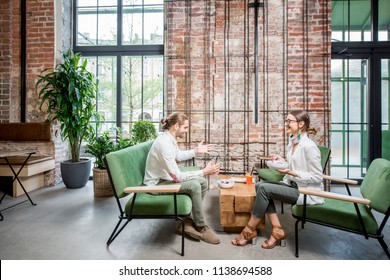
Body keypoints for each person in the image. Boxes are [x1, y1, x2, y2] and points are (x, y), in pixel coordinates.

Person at [231, 110, 324, 249]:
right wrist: (283, 161)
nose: (286, 124)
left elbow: (317, 177)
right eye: (286, 121)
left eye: (289, 121)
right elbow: (297, 164)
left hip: (305, 192)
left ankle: (248, 230)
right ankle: (277, 229)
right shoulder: (293, 141)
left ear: (301, 124)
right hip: (292, 185)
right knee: (260, 185)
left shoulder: (309, 146)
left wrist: (292, 172)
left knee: (263, 189)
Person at [144, 112, 221, 244]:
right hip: (156, 184)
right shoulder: (164, 144)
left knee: (202, 182)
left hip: (164, 178)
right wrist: (204, 171)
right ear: (176, 126)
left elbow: (178, 156)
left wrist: (196, 151)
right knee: (195, 185)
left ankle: (188, 220)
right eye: (185, 127)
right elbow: (178, 177)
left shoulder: (169, 139)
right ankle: (200, 226)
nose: (186, 131)